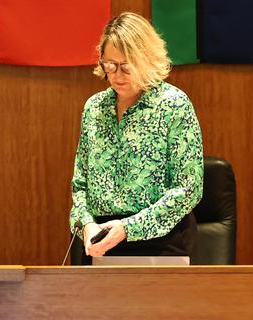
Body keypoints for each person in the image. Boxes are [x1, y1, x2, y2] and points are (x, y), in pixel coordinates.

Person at [69, 12, 204, 263]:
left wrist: (128, 228)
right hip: (101, 243)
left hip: (161, 245)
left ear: (147, 59)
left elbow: (189, 189)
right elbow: (80, 187)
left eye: (126, 66)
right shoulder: (94, 108)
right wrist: (86, 224)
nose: (117, 75)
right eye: (110, 65)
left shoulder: (174, 106)